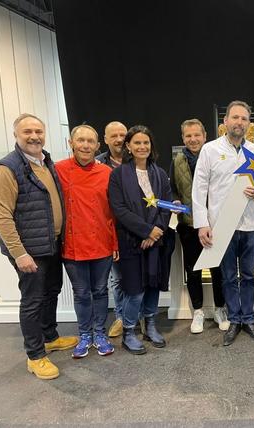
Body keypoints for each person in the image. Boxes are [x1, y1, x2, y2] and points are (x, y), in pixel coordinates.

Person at [0, 113, 78, 380]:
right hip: (30, 250)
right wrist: (20, 253)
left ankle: (49, 336)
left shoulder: (45, 161)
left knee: (52, 291)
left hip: (51, 244)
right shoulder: (7, 168)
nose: (34, 136)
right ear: (16, 135)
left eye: (38, 131)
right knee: (32, 300)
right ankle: (35, 356)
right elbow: (1, 215)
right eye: (27, 131)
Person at [192, 100, 254, 346]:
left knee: (247, 275)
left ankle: (248, 319)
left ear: (248, 123)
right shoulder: (210, 150)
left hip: (250, 226)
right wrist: (202, 224)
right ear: (225, 121)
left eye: (244, 119)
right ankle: (234, 320)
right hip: (222, 225)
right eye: (235, 117)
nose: (239, 122)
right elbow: (199, 189)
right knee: (227, 277)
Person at [108, 125, 175, 354]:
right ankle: (128, 331)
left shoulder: (159, 173)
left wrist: (157, 231)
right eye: (137, 142)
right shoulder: (118, 175)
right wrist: (146, 231)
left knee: (153, 285)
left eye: (146, 142)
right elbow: (119, 209)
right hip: (131, 241)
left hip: (156, 241)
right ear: (128, 146)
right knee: (134, 290)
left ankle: (151, 326)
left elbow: (165, 205)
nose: (142, 146)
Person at [56, 125, 118, 358]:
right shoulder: (59, 170)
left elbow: (112, 212)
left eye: (90, 141)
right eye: (80, 140)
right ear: (70, 143)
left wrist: (115, 245)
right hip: (72, 245)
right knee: (81, 293)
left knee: (101, 291)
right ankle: (85, 335)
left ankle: (100, 334)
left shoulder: (106, 173)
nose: (85, 145)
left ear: (97, 146)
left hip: (102, 242)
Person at [170, 118, 229, 334]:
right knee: (193, 270)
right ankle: (198, 311)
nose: (193, 139)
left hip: (214, 224)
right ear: (183, 138)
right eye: (188, 136)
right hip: (188, 225)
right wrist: (175, 200)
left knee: (217, 270)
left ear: (205, 136)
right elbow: (173, 188)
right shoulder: (177, 161)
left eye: (197, 135)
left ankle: (220, 309)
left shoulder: (216, 156)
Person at [96, 121, 127, 338]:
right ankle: (121, 317)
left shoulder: (138, 160)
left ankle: (137, 315)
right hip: (110, 229)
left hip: (134, 228)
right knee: (117, 278)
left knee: (136, 275)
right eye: (113, 135)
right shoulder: (98, 165)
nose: (119, 139)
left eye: (122, 135)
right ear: (105, 140)